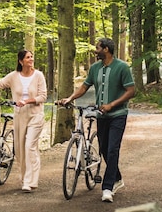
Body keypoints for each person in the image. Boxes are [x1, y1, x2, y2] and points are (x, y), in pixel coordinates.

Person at [56, 37, 136, 203]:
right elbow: (84, 87)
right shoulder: (95, 68)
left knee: (113, 149)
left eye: (98, 48)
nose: (95, 50)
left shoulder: (122, 67)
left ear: (106, 49)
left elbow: (131, 90)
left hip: (118, 115)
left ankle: (107, 188)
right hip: (101, 116)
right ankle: (117, 178)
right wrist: (70, 98)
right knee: (105, 150)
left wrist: (112, 104)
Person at [0, 49, 47, 192]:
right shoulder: (14, 76)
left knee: (29, 147)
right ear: (21, 61)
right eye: (28, 57)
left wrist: (27, 101)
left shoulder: (39, 75)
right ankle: (24, 178)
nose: (31, 59)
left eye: (32, 57)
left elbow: (43, 97)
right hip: (20, 116)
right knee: (19, 149)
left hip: (35, 115)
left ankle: (29, 181)